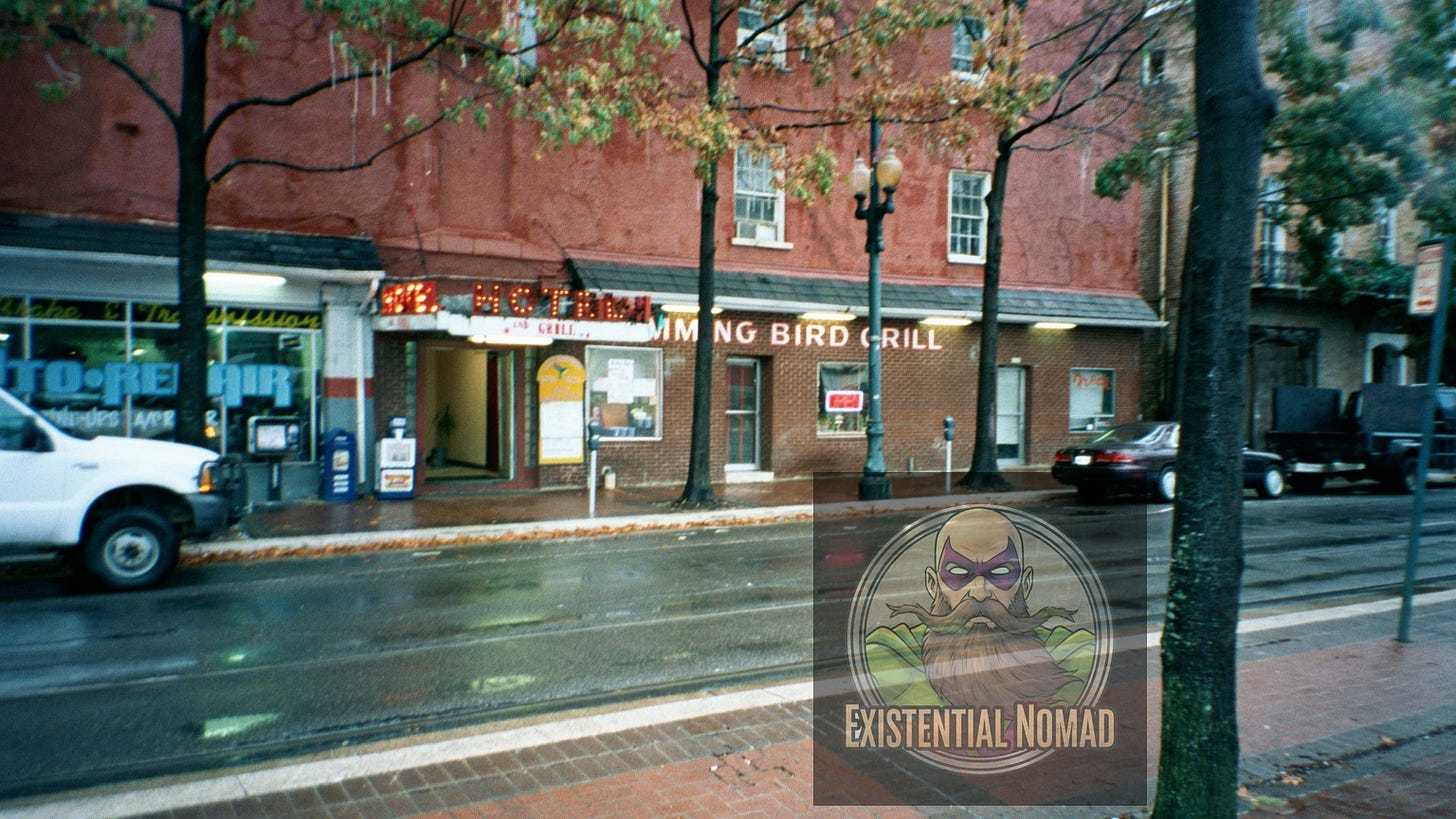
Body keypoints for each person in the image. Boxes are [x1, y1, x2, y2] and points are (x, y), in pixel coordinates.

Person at [864, 507, 1093, 711]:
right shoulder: (886, 653)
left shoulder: (1077, 652)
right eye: (959, 573)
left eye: (1001, 572)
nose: (980, 593)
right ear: (933, 584)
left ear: (1025, 583)